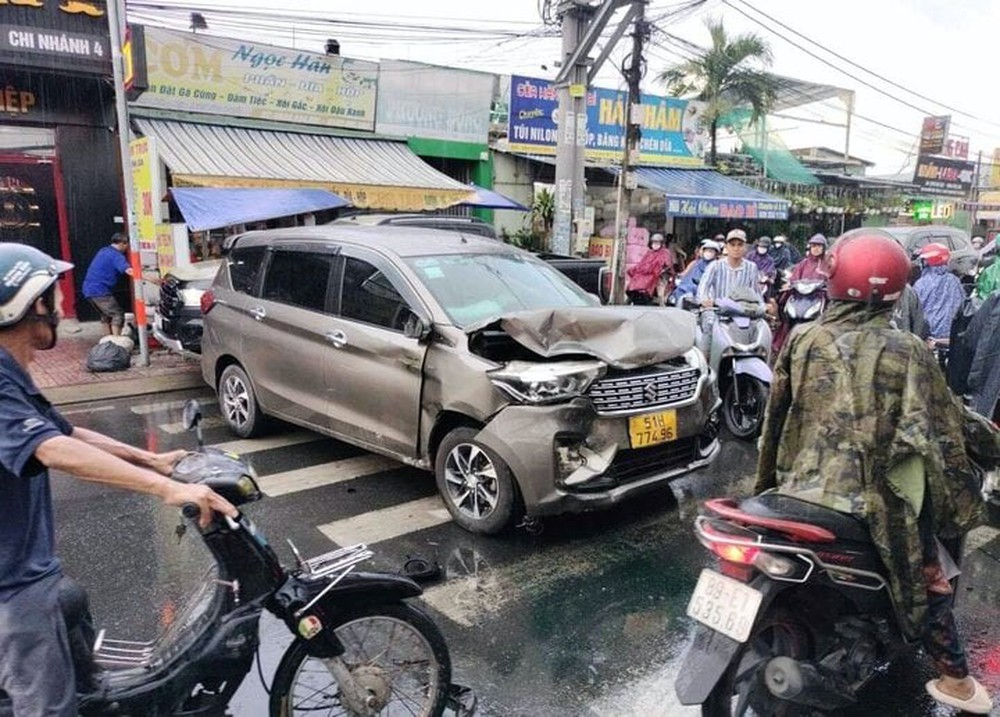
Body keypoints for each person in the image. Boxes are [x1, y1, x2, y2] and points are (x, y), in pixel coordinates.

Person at [756, 230, 993, 715]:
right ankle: (956, 681)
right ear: (897, 286)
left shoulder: (803, 339)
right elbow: (947, 422)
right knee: (929, 575)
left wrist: (765, 487)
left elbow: (773, 421)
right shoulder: (907, 350)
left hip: (795, 491)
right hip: (871, 505)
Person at [0, 243, 237, 715]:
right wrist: (168, 489)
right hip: (13, 593)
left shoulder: (12, 373)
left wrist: (153, 461)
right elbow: (52, 449)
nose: (64, 305)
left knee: (70, 603)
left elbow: (65, 430)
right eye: (52, 295)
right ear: (28, 305)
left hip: (31, 573)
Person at [82, 233, 133, 336]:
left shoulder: (103, 251)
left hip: (88, 289)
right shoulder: (116, 256)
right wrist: (150, 278)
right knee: (117, 314)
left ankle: (107, 339)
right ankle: (116, 341)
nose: (128, 248)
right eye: (127, 245)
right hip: (100, 290)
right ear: (123, 243)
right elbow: (128, 270)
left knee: (106, 315)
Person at [696, 228, 761, 307]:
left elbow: (756, 293)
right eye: (732, 245)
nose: (736, 248)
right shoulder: (715, 266)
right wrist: (705, 300)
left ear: (745, 247)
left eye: (740, 244)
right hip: (718, 311)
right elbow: (703, 288)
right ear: (726, 247)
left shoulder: (751, 268)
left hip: (743, 311)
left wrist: (761, 306)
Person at [913, 242, 965, 341]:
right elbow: (962, 304)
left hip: (928, 336)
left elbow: (916, 309)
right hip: (951, 335)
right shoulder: (955, 281)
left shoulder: (921, 284)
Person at [626, 232, 673, 305]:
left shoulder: (665, 252)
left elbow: (667, 265)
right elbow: (643, 263)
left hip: (659, 275)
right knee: (637, 278)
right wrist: (637, 268)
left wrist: (660, 270)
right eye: (654, 242)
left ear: (661, 243)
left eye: (657, 242)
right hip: (646, 273)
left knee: (658, 290)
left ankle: (661, 302)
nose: (655, 244)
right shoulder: (650, 252)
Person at [670, 238, 720, 305]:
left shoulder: (716, 265)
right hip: (691, 285)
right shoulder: (697, 263)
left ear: (715, 254)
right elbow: (688, 274)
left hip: (706, 289)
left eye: (711, 251)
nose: (708, 253)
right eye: (707, 251)